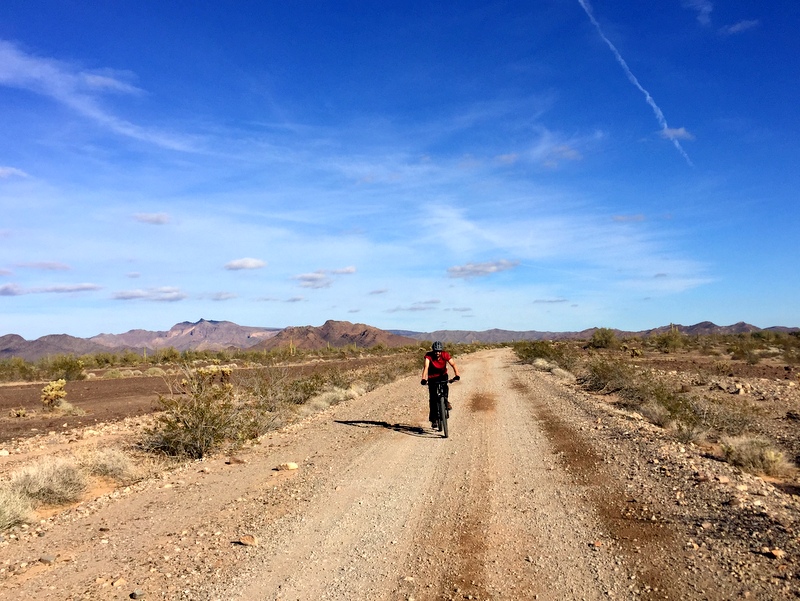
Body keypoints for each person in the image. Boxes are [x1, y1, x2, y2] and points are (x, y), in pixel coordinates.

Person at [420, 341, 460, 429]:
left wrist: (457, 375)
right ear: (433, 351)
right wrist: (423, 378)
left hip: (442, 376)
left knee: (445, 388)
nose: (437, 353)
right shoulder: (429, 356)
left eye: (439, 351)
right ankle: (434, 420)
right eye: (436, 351)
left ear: (441, 351)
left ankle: (445, 401)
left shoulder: (445, 355)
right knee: (433, 398)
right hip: (432, 377)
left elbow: (453, 364)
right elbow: (426, 367)